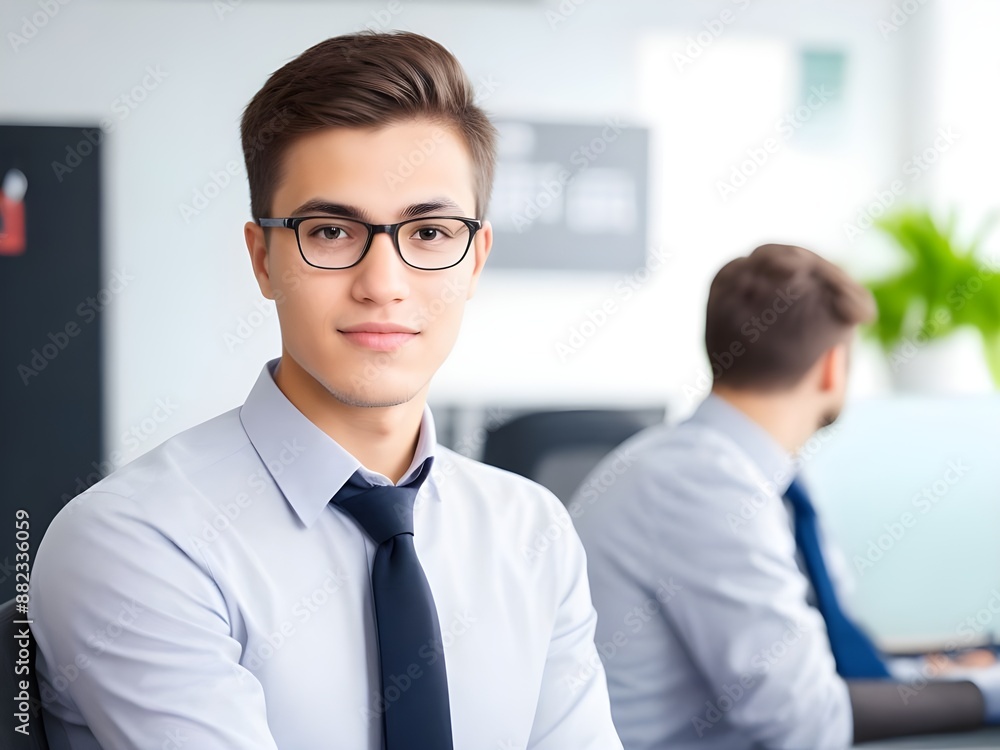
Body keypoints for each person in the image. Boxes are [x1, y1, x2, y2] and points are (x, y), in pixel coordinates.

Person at [29, 31, 623, 750]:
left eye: (430, 232)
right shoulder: (140, 542)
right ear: (263, 260)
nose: (383, 284)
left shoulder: (532, 531)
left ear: (474, 260)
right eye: (333, 231)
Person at [572, 243, 1000, 749]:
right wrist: (986, 692)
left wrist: (944, 676)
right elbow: (807, 723)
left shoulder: (732, 472)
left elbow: (812, 668)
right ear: (831, 367)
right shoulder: (703, 485)